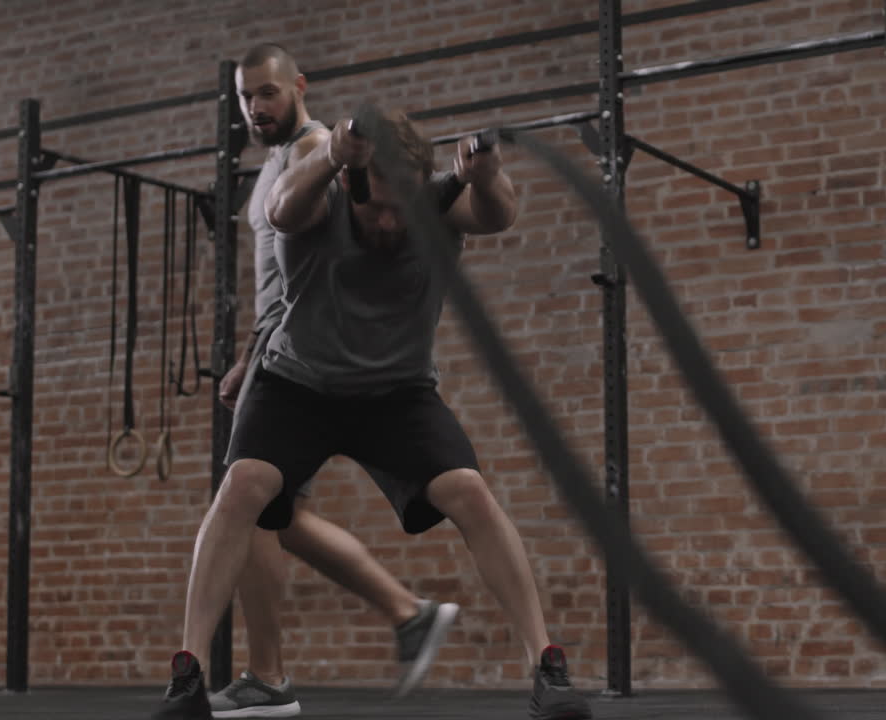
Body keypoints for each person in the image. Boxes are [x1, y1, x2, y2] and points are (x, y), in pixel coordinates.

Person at [150, 51, 592, 720]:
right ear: (352, 184)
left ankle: (547, 667)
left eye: (401, 209)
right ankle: (187, 676)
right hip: (296, 385)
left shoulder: (436, 203)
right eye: (378, 207)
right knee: (242, 487)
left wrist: (486, 173)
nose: (390, 222)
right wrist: (332, 154)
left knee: (470, 492)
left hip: (397, 393)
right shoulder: (320, 197)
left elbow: (498, 214)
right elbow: (279, 208)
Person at [157, 45, 458, 720]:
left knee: (260, 510)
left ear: (298, 86)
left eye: (267, 93)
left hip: (298, 359)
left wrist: (262, 350)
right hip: (273, 350)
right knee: (276, 516)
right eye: (246, 97)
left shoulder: (319, 150)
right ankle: (403, 614)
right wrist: (249, 352)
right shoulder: (276, 161)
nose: (255, 107)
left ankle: (274, 673)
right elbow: (279, 275)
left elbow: (314, 272)